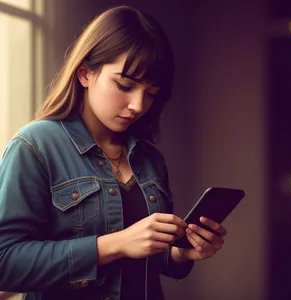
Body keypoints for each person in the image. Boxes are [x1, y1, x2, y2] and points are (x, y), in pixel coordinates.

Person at [0, 5, 227, 300]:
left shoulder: (150, 159)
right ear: (85, 74)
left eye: (151, 93)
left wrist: (185, 253)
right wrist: (115, 244)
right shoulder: (35, 146)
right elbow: (5, 262)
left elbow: (152, 259)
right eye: (125, 85)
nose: (138, 105)